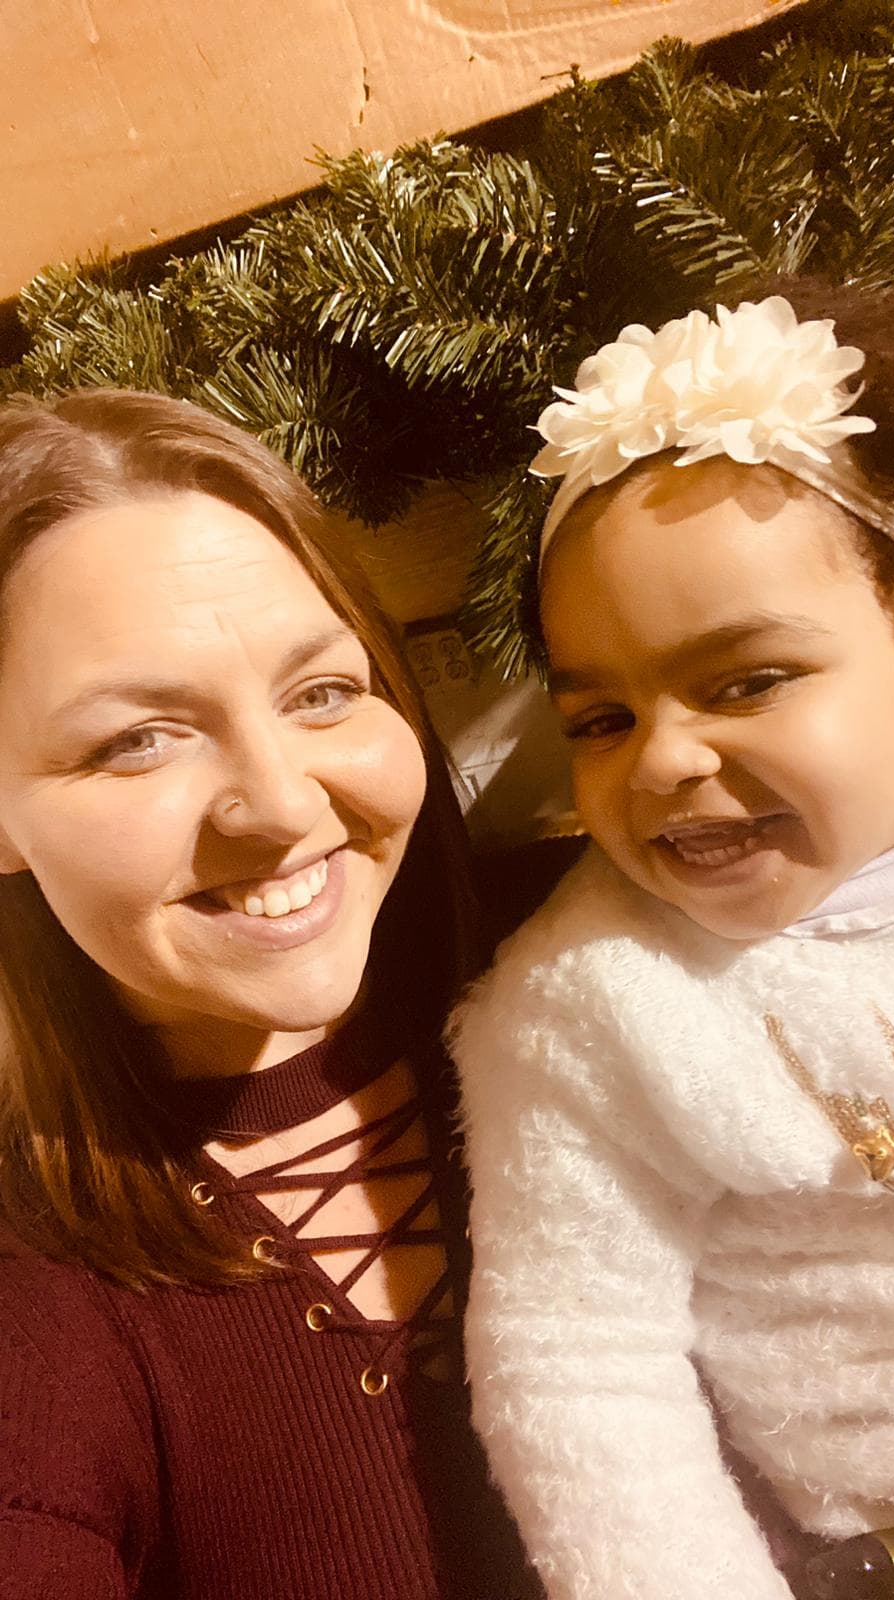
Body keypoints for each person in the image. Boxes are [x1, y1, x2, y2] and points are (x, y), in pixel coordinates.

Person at [0, 388, 543, 1600]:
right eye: (138, 738)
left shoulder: (608, 989)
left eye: (321, 693)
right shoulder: (36, 1297)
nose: (285, 804)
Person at [451, 282, 894, 1600]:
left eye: (745, 681)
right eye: (600, 719)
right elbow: (579, 1367)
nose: (667, 761)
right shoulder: (590, 1001)